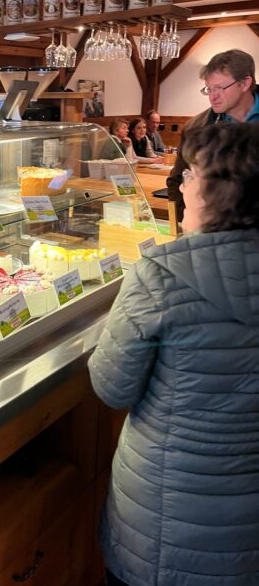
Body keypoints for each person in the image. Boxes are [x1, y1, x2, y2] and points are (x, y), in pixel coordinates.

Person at [88, 121, 259, 586]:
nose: (180, 186)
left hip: (167, 511)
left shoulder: (160, 275)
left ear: (221, 193)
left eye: (190, 175)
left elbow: (113, 388)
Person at [167, 48, 259, 220]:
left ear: (245, 83)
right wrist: (190, 224)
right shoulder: (196, 128)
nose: (212, 97)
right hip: (215, 227)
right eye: (208, 89)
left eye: (219, 88)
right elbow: (178, 181)